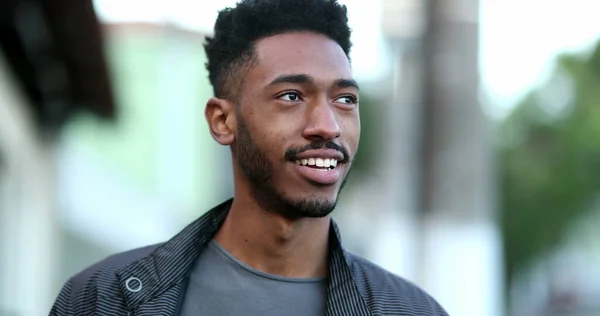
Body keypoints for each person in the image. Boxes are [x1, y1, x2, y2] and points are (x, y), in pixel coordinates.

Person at [49, 0, 448, 315]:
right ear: (223, 121)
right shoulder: (103, 300)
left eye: (345, 100)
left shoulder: (412, 311)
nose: (328, 126)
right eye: (291, 96)